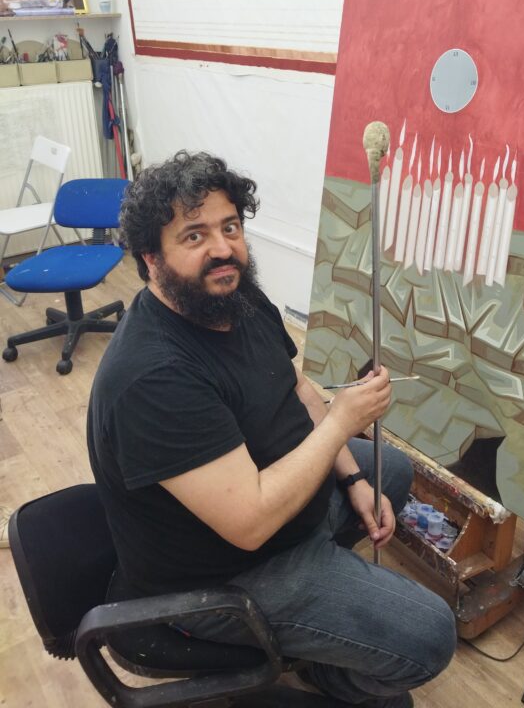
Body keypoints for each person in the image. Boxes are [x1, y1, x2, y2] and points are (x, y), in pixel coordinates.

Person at [87, 151, 456, 708]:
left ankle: (322, 608)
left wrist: (353, 477)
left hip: (275, 509)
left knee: (391, 471)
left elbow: (297, 390)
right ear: (151, 259)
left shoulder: (233, 296)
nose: (222, 248)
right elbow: (252, 523)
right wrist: (343, 421)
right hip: (225, 574)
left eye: (230, 227)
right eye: (194, 235)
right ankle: (332, 679)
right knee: (431, 636)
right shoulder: (151, 375)